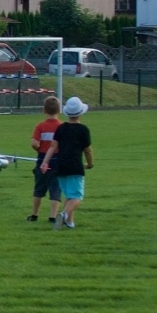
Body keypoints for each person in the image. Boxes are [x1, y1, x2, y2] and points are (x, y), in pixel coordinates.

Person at [41, 96, 93, 230]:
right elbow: (87, 150)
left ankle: (70, 222)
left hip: (61, 166)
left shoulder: (61, 128)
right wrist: (90, 164)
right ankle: (64, 214)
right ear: (80, 112)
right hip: (75, 166)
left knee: (69, 195)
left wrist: (45, 162)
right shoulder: (83, 129)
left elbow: (53, 146)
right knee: (77, 197)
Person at [28, 95, 64, 225]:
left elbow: (34, 143)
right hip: (57, 159)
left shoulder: (40, 126)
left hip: (42, 158)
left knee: (39, 188)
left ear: (44, 110)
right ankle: (52, 216)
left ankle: (34, 214)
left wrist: (39, 149)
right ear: (59, 110)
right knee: (55, 189)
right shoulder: (62, 126)